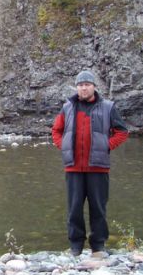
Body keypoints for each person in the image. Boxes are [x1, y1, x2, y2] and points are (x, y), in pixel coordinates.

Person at [51, 70, 129, 257]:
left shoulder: (108, 107)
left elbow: (122, 132)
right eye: (80, 85)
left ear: (94, 86)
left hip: (98, 167)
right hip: (73, 167)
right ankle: (75, 246)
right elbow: (56, 130)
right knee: (74, 209)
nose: (83, 88)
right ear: (76, 87)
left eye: (87, 84)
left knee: (98, 208)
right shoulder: (67, 107)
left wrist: (107, 146)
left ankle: (98, 246)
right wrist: (64, 146)